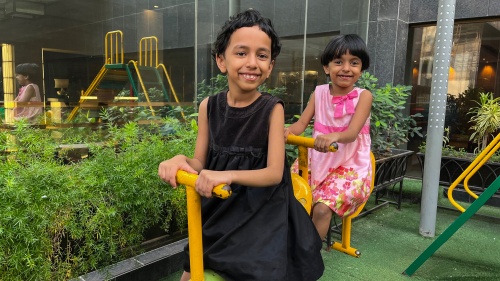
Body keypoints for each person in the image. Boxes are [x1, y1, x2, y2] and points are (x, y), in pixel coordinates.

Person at [158, 9, 324, 281]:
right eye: (241, 53)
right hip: (220, 210)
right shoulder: (208, 107)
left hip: (262, 213)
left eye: (261, 55)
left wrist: (228, 174)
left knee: (257, 269)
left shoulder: (272, 109)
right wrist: (180, 160)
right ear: (221, 60)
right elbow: (200, 162)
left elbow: (273, 173)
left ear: (270, 66)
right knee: (193, 264)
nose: (252, 63)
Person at [284, 34, 373, 241]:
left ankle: (308, 258)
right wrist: (284, 132)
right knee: (292, 197)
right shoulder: (319, 93)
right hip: (318, 160)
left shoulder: (364, 96)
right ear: (326, 67)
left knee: (322, 209)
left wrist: (333, 136)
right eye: (338, 62)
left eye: (354, 63)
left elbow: (351, 134)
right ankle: (290, 244)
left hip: (350, 164)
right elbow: (300, 124)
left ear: (361, 69)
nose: (346, 68)